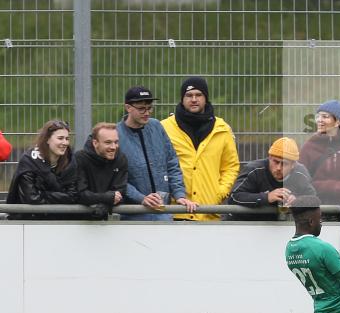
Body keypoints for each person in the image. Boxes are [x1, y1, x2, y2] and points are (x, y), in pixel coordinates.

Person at [161, 77, 240, 221]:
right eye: (189, 95)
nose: (194, 99)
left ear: (206, 98)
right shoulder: (164, 128)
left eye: (198, 95)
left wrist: (219, 192)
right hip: (175, 211)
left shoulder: (222, 129)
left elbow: (230, 166)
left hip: (208, 211)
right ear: (182, 99)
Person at [116, 86, 197, 220]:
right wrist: (141, 198)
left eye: (149, 108)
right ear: (128, 108)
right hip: (133, 215)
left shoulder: (156, 126)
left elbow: (172, 164)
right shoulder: (116, 135)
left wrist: (179, 195)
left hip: (163, 213)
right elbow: (117, 178)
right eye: (141, 109)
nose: (147, 113)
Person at [227, 137, 318, 220]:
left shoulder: (301, 173)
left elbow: (313, 198)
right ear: (270, 157)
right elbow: (233, 197)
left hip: (278, 228)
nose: (279, 168)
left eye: (284, 163)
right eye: (276, 162)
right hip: (243, 225)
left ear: (293, 165)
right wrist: (267, 197)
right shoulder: (254, 169)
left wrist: (298, 200)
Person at [6, 120, 80, 219]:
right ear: (47, 139)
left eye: (67, 139)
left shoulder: (71, 160)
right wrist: (60, 196)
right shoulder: (29, 160)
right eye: (60, 138)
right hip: (30, 219)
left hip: (61, 219)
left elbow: (72, 196)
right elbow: (31, 198)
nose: (65, 143)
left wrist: (43, 194)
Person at [74, 122, 128, 220]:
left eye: (116, 142)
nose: (113, 147)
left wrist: (105, 206)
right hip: (79, 222)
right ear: (95, 143)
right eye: (108, 142)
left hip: (108, 222)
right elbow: (80, 194)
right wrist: (107, 198)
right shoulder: (80, 158)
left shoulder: (121, 158)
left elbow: (120, 192)